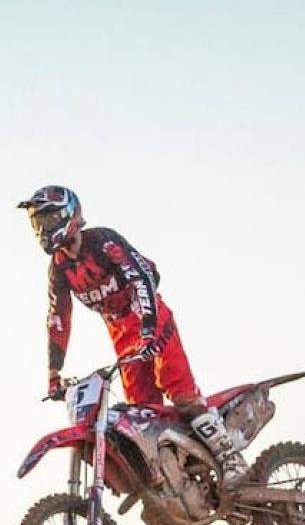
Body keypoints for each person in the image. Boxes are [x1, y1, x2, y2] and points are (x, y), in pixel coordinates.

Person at [17, 184, 248, 483]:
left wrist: (150, 328)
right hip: (120, 331)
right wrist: (54, 374)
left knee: (179, 390)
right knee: (142, 412)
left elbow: (142, 278)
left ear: (68, 215)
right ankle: (175, 474)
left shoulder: (101, 242)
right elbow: (58, 317)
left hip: (148, 314)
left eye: (48, 220)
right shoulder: (59, 268)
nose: (43, 229)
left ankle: (231, 459)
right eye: (38, 223)